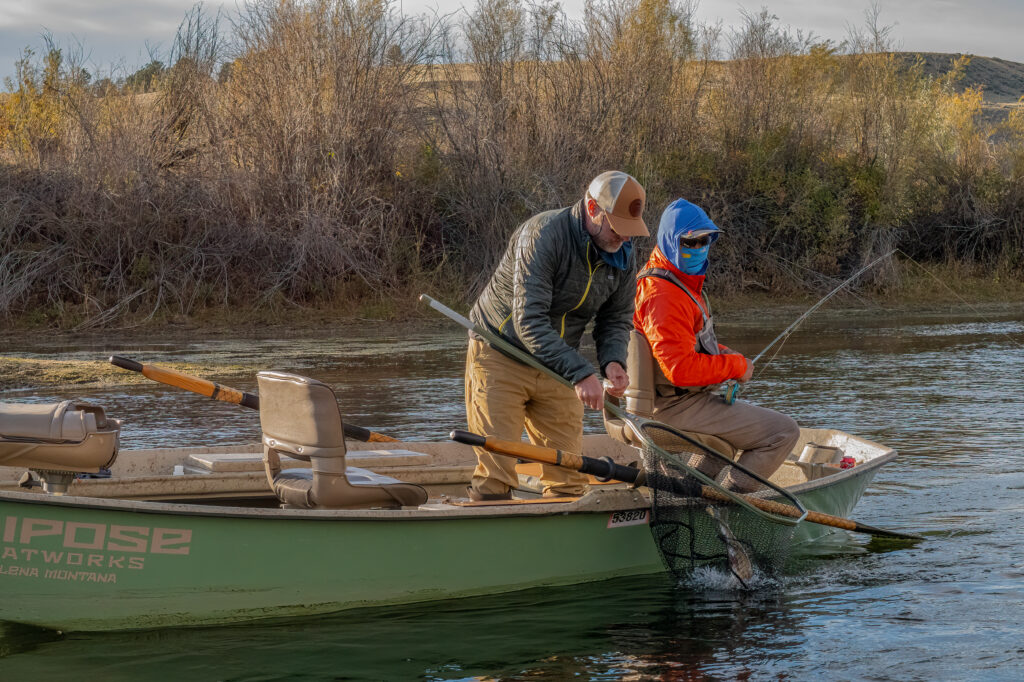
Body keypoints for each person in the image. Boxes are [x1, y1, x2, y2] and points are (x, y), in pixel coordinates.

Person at [465, 171, 649, 500]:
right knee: (496, 475)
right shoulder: (543, 235)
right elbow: (529, 321)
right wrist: (580, 372)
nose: (623, 237)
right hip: (501, 352)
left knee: (568, 476)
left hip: (558, 362)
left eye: (629, 230)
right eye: (616, 226)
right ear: (593, 208)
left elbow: (616, 318)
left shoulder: (624, 254)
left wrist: (612, 362)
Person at [632, 198, 799, 491]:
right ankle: (728, 506)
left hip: (676, 400)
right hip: (674, 404)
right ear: (671, 242)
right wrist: (736, 366)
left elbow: (682, 343)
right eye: (690, 242)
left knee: (725, 448)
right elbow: (680, 370)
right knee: (783, 432)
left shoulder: (672, 283)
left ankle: (691, 494)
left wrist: (724, 355)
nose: (699, 248)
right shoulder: (664, 297)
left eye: (706, 240)